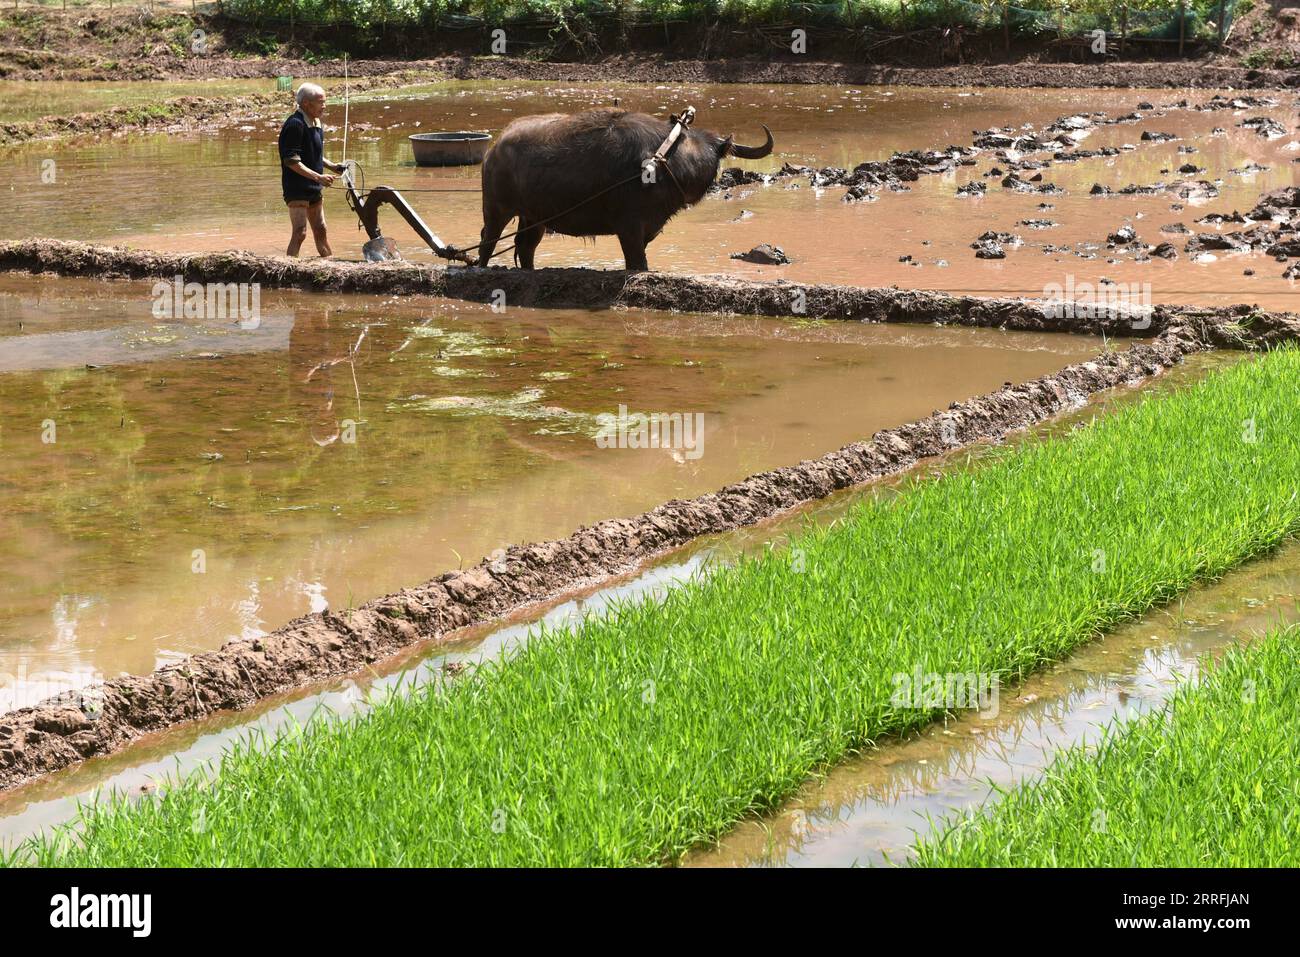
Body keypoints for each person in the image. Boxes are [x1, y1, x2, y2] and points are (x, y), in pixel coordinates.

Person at [278, 83, 348, 257]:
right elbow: (292, 161)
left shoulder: (315, 122)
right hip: (297, 187)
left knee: (321, 229)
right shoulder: (295, 124)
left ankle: (329, 265)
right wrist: (318, 177)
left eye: (325, 102)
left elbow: (314, 154)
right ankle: (289, 268)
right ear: (306, 104)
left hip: (314, 186)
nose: (324, 106)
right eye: (320, 102)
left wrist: (332, 166)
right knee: (300, 233)